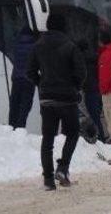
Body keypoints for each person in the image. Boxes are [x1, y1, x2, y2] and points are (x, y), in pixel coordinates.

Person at [26, 14, 86, 191]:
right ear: (63, 27)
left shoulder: (37, 46)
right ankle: (63, 167)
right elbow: (81, 73)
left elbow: (29, 71)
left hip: (47, 99)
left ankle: (48, 180)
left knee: (48, 139)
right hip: (67, 99)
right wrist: (74, 86)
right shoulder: (70, 46)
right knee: (73, 133)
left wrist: (42, 84)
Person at [8, 26, 37, 129]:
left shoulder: (16, 45)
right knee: (25, 106)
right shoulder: (34, 46)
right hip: (28, 80)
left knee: (14, 104)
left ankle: (12, 126)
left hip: (16, 79)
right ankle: (20, 127)